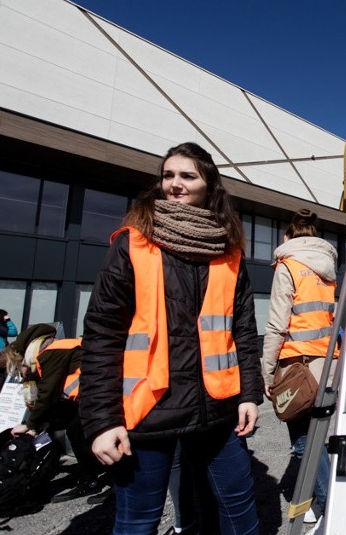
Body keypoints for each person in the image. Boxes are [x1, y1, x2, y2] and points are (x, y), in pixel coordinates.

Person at [78, 142, 263, 535]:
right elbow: (101, 336)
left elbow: (243, 331)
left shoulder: (228, 252)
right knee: (139, 521)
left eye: (187, 176)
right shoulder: (134, 243)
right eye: (168, 175)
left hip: (218, 409)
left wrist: (249, 393)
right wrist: (101, 421)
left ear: (209, 185)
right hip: (145, 412)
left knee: (238, 507)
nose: (175, 184)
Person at [261, 209, 337, 530]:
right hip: (327, 365)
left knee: (305, 441)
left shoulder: (287, 266)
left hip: (297, 367)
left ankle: (329, 507)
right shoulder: (329, 270)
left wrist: (266, 372)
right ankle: (324, 501)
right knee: (317, 437)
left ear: (288, 237)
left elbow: (277, 325)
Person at [5, 323, 108, 503]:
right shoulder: (56, 348)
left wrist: (31, 426)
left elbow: (47, 394)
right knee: (76, 432)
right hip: (90, 396)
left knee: (78, 433)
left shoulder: (51, 353)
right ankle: (91, 477)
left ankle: (97, 481)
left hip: (93, 397)